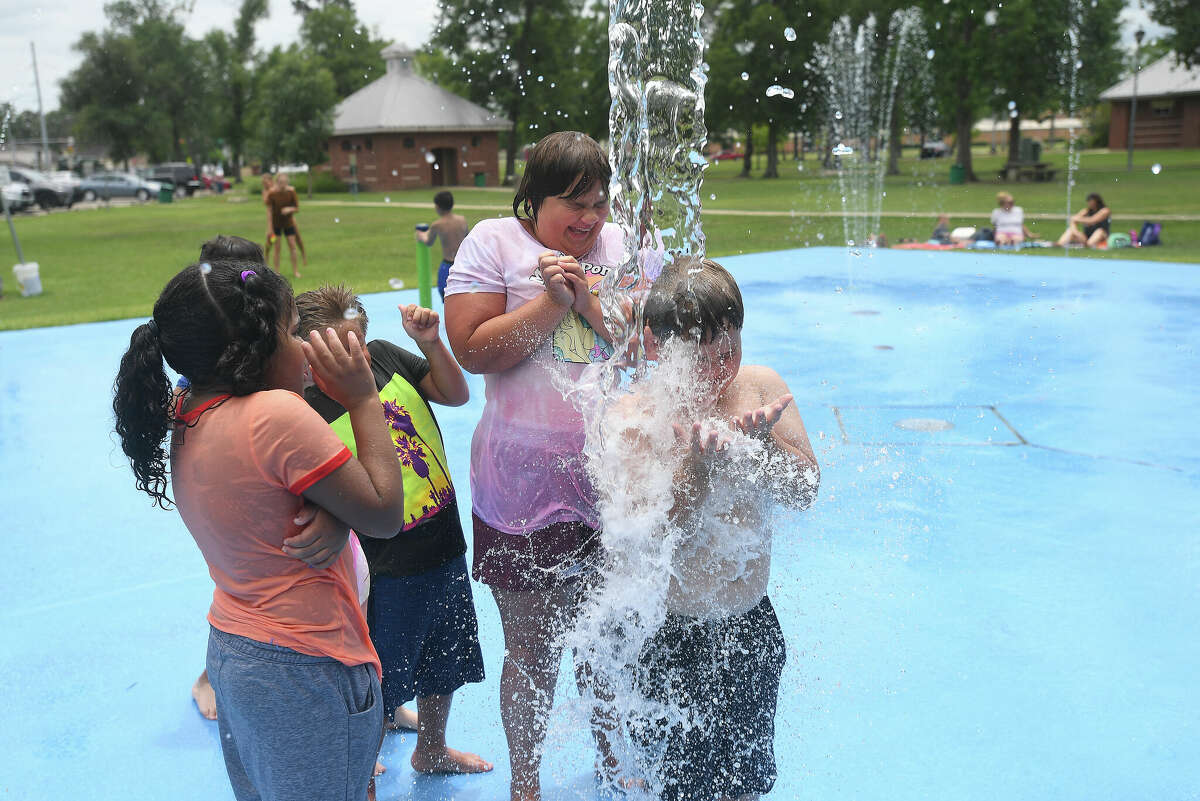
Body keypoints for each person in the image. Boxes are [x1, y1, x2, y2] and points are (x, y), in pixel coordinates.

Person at [113, 258, 409, 801]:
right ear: (258, 345)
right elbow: (386, 512)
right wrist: (363, 397)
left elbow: (268, 489)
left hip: (236, 649)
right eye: (292, 329)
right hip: (306, 663)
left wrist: (338, 512)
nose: (304, 342)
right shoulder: (275, 416)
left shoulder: (188, 405)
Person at [443, 130, 626, 801]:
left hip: (609, 483)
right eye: (573, 203)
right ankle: (526, 783)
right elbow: (472, 350)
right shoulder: (495, 242)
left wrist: (591, 303)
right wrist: (551, 301)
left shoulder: (621, 246)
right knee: (532, 648)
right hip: (520, 486)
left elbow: (644, 348)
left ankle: (611, 757)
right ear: (533, 198)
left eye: (599, 204)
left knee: (606, 640)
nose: (589, 218)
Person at [633, 256, 820, 801]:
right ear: (660, 347)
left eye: (730, 346)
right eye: (701, 353)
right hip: (673, 634)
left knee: (745, 782)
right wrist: (694, 467)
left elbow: (804, 492)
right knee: (678, 786)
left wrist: (765, 446)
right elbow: (654, 538)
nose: (721, 366)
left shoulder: (760, 387)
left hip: (749, 622)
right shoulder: (642, 413)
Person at [296, 284, 492, 775]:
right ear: (308, 355)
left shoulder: (384, 358)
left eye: (358, 342)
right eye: (340, 348)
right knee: (377, 667)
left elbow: (455, 393)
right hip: (383, 566)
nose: (356, 356)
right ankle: (360, 755)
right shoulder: (305, 407)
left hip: (442, 540)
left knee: (444, 658)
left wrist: (430, 343)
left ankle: (432, 748)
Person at [415, 190, 469, 301]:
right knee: (463, 294)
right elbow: (467, 238)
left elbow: (428, 241)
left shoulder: (437, 225)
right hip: (463, 264)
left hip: (448, 265)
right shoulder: (462, 220)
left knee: (445, 294)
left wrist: (420, 235)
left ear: (438, 207)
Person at [268, 172, 306, 278]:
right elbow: (269, 211)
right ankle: (276, 273)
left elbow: (297, 208)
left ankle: (295, 271)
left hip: (289, 223)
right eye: (281, 182)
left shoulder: (291, 192)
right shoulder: (272, 193)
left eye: (285, 182)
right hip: (276, 224)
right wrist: (270, 227)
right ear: (277, 182)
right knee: (277, 248)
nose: (283, 184)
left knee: (293, 246)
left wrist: (290, 209)